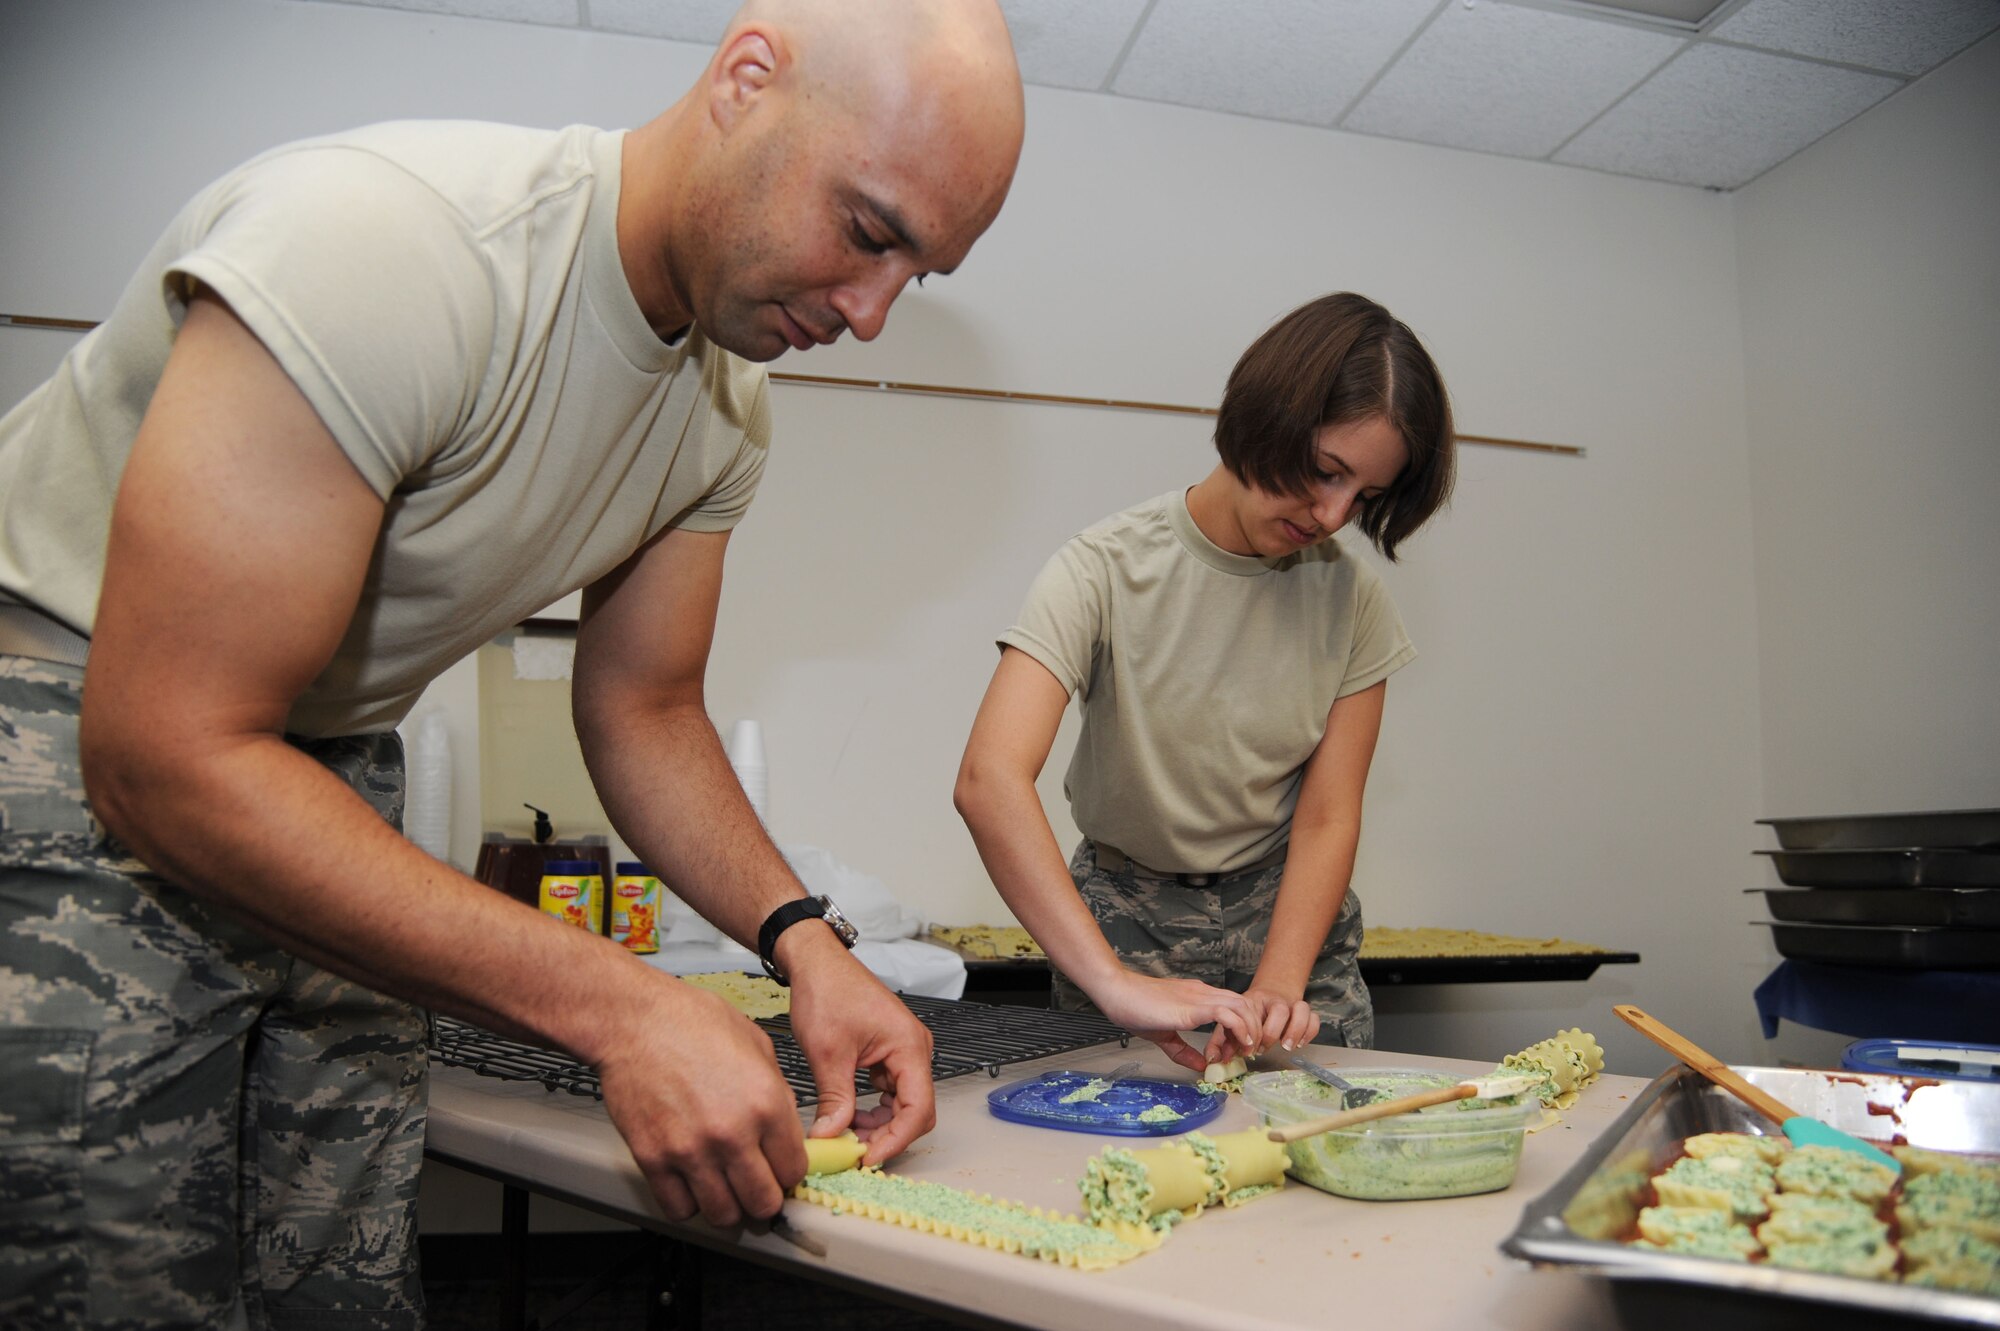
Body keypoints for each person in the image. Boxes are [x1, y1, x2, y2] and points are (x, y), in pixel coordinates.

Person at [0, 1, 1024, 1325]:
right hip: (68, 741)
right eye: (868, 231)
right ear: (746, 78)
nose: (874, 312)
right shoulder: (385, 248)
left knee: (346, 1287)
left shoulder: (722, 409)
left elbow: (644, 707)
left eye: (917, 273)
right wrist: (630, 1010)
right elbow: (163, 749)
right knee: (114, 1290)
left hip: (322, 768)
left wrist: (809, 946)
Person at [955, 293, 1454, 1075]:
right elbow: (990, 779)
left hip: (1290, 916)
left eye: (1364, 497)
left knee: (1324, 1142)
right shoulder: (1104, 567)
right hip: (1125, 917)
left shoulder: (1351, 598)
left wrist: (1281, 984)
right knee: (1120, 1145)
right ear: (1266, 415)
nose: (1330, 514)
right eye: (1324, 471)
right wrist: (1112, 981)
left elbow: (1327, 816)